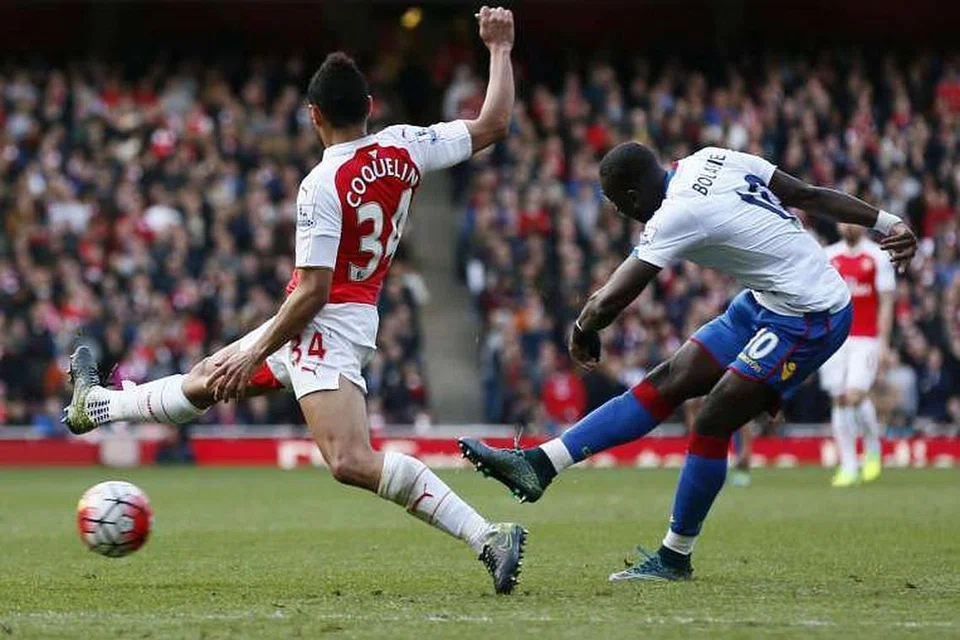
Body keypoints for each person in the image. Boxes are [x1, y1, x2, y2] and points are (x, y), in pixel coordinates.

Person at [64, 7, 527, 595]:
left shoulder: (321, 184)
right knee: (205, 382)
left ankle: (488, 535)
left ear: (314, 115)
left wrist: (255, 349)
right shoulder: (406, 146)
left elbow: (314, 290)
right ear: (369, 107)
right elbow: (493, 123)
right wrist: (499, 49)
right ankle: (96, 406)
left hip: (324, 326)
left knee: (350, 459)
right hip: (342, 316)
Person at [460, 142, 916, 582]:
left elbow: (611, 299)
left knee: (714, 419)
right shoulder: (710, 157)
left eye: (619, 205)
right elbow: (806, 194)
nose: (622, 215)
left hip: (812, 315)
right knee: (669, 379)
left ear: (633, 196)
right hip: (766, 300)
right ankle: (541, 464)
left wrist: (582, 329)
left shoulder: (676, 213)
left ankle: (675, 555)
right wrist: (888, 222)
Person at [820, 223, 895, 486]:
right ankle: (849, 465)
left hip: (866, 338)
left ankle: (872, 448)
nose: (847, 226)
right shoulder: (828, 256)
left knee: (855, 394)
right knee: (839, 398)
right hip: (835, 338)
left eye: (851, 221)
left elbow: (886, 302)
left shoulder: (877, 256)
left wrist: (884, 342)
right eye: (842, 221)